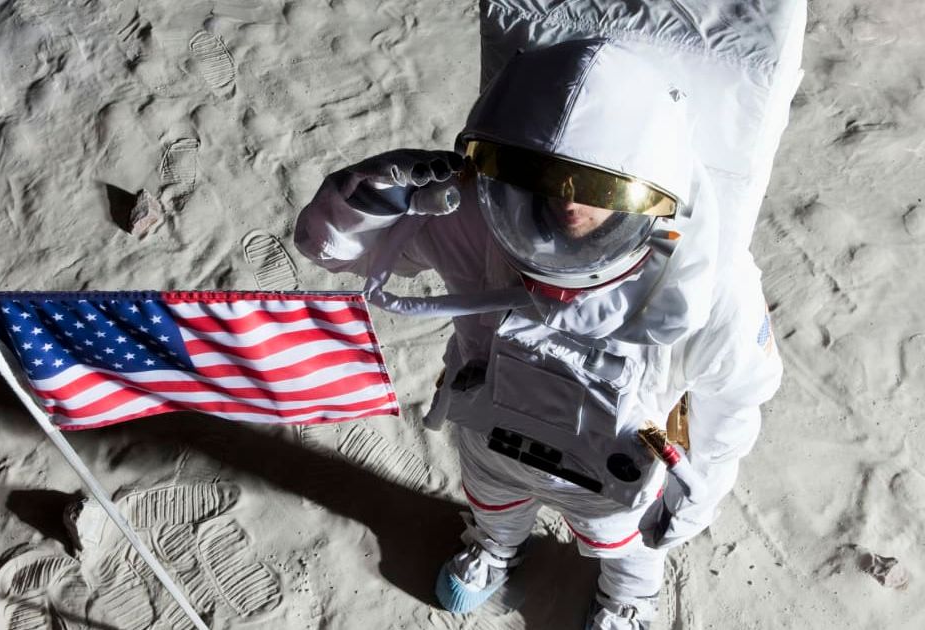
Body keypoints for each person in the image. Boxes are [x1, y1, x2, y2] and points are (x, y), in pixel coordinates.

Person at [293, 38, 782, 630]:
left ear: (653, 186)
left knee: (625, 544)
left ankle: (628, 595)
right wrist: (365, 199)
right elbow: (337, 251)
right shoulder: (479, 216)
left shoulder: (709, 283)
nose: (568, 202)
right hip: (491, 433)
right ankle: (496, 544)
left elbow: (734, 399)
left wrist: (702, 489)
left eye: (600, 187)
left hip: (612, 474)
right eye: (550, 176)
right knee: (493, 504)